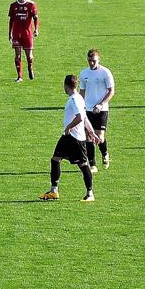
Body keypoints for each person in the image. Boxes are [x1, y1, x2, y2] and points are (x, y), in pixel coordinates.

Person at [40, 74, 101, 202]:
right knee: (55, 159)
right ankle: (53, 191)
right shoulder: (78, 98)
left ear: (65, 85)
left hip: (75, 138)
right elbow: (84, 117)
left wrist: (68, 126)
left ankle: (90, 194)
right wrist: (92, 132)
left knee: (83, 165)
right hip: (67, 137)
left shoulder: (74, 99)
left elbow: (79, 117)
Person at [79, 48, 115, 173]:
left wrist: (101, 104)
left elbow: (111, 91)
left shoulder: (105, 72)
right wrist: (80, 106)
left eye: (93, 61)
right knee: (88, 136)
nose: (91, 63)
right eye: (89, 61)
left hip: (102, 110)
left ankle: (105, 154)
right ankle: (92, 164)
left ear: (99, 59)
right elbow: (82, 92)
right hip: (88, 109)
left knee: (99, 137)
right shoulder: (83, 74)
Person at [8, 0, 39, 82]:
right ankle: (20, 77)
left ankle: (30, 68)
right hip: (17, 34)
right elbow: (11, 20)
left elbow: (36, 18)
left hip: (28, 34)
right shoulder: (13, 6)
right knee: (17, 56)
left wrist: (36, 29)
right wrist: (10, 33)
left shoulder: (31, 4)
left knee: (29, 56)